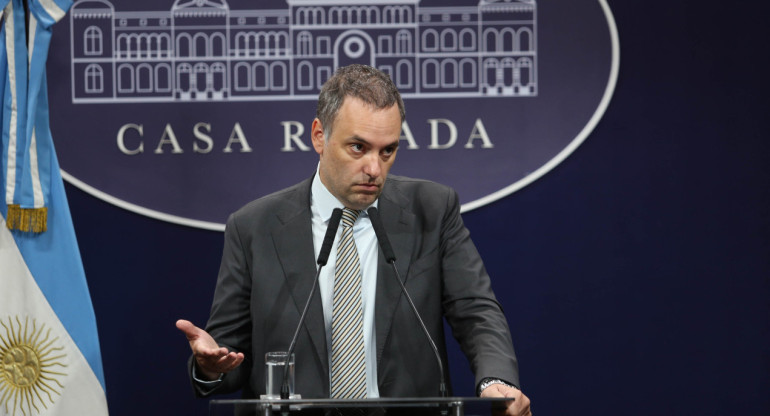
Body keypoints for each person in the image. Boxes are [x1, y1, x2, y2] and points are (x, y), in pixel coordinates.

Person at [177, 64, 532, 416]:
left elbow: (476, 311)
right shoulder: (253, 226)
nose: (375, 169)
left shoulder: (433, 210)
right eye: (358, 147)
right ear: (319, 135)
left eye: (387, 150)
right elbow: (229, 355)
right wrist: (211, 367)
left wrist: (496, 380)